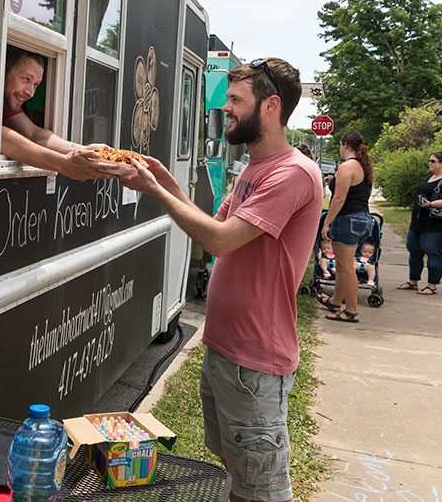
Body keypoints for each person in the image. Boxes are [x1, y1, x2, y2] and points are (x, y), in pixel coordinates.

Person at [120, 57, 321, 502]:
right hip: (226, 349)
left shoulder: (291, 174)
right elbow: (212, 231)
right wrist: (166, 180)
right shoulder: (254, 167)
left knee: (264, 488)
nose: (225, 108)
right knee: (240, 473)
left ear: (270, 106)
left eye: (235, 100)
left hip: (255, 358)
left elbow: (223, 240)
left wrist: (154, 192)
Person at [0, 48, 122, 181]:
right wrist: (64, 164)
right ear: (3, 70)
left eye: (36, 84)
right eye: (26, 79)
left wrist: (88, 151)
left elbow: (34, 134)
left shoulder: (8, 102)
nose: (31, 93)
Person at [318, 131, 374, 324]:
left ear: (344, 144)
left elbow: (339, 198)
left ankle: (351, 310)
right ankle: (335, 301)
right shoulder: (362, 167)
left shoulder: (346, 166)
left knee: (345, 268)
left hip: (348, 220)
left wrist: (327, 223)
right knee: (343, 267)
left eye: (340, 145)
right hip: (364, 220)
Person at [398, 151, 442, 295]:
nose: (430, 163)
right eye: (429, 161)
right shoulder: (431, 178)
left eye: (433, 161)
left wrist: (432, 204)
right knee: (414, 251)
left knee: (433, 252)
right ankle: (413, 281)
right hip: (419, 224)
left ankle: (431, 285)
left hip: (438, 226)